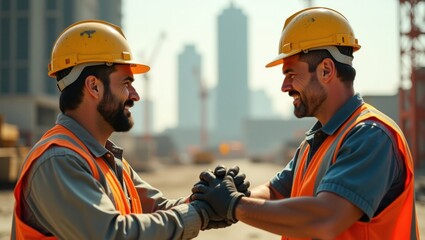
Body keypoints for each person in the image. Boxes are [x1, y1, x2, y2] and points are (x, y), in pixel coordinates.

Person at [192, 7, 420, 240]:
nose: (284, 87)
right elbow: (276, 192)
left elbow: (326, 219)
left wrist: (234, 205)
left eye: (291, 74)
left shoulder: (370, 135)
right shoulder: (317, 142)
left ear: (326, 70)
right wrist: (230, 194)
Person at [11, 19, 249, 239]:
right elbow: (113, 233)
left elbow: (156, 209)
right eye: (126, 83)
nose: (135, 96)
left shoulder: (107, 159)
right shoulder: (59, 160)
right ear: (94, 86)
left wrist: (211, 201)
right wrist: (201, 212)